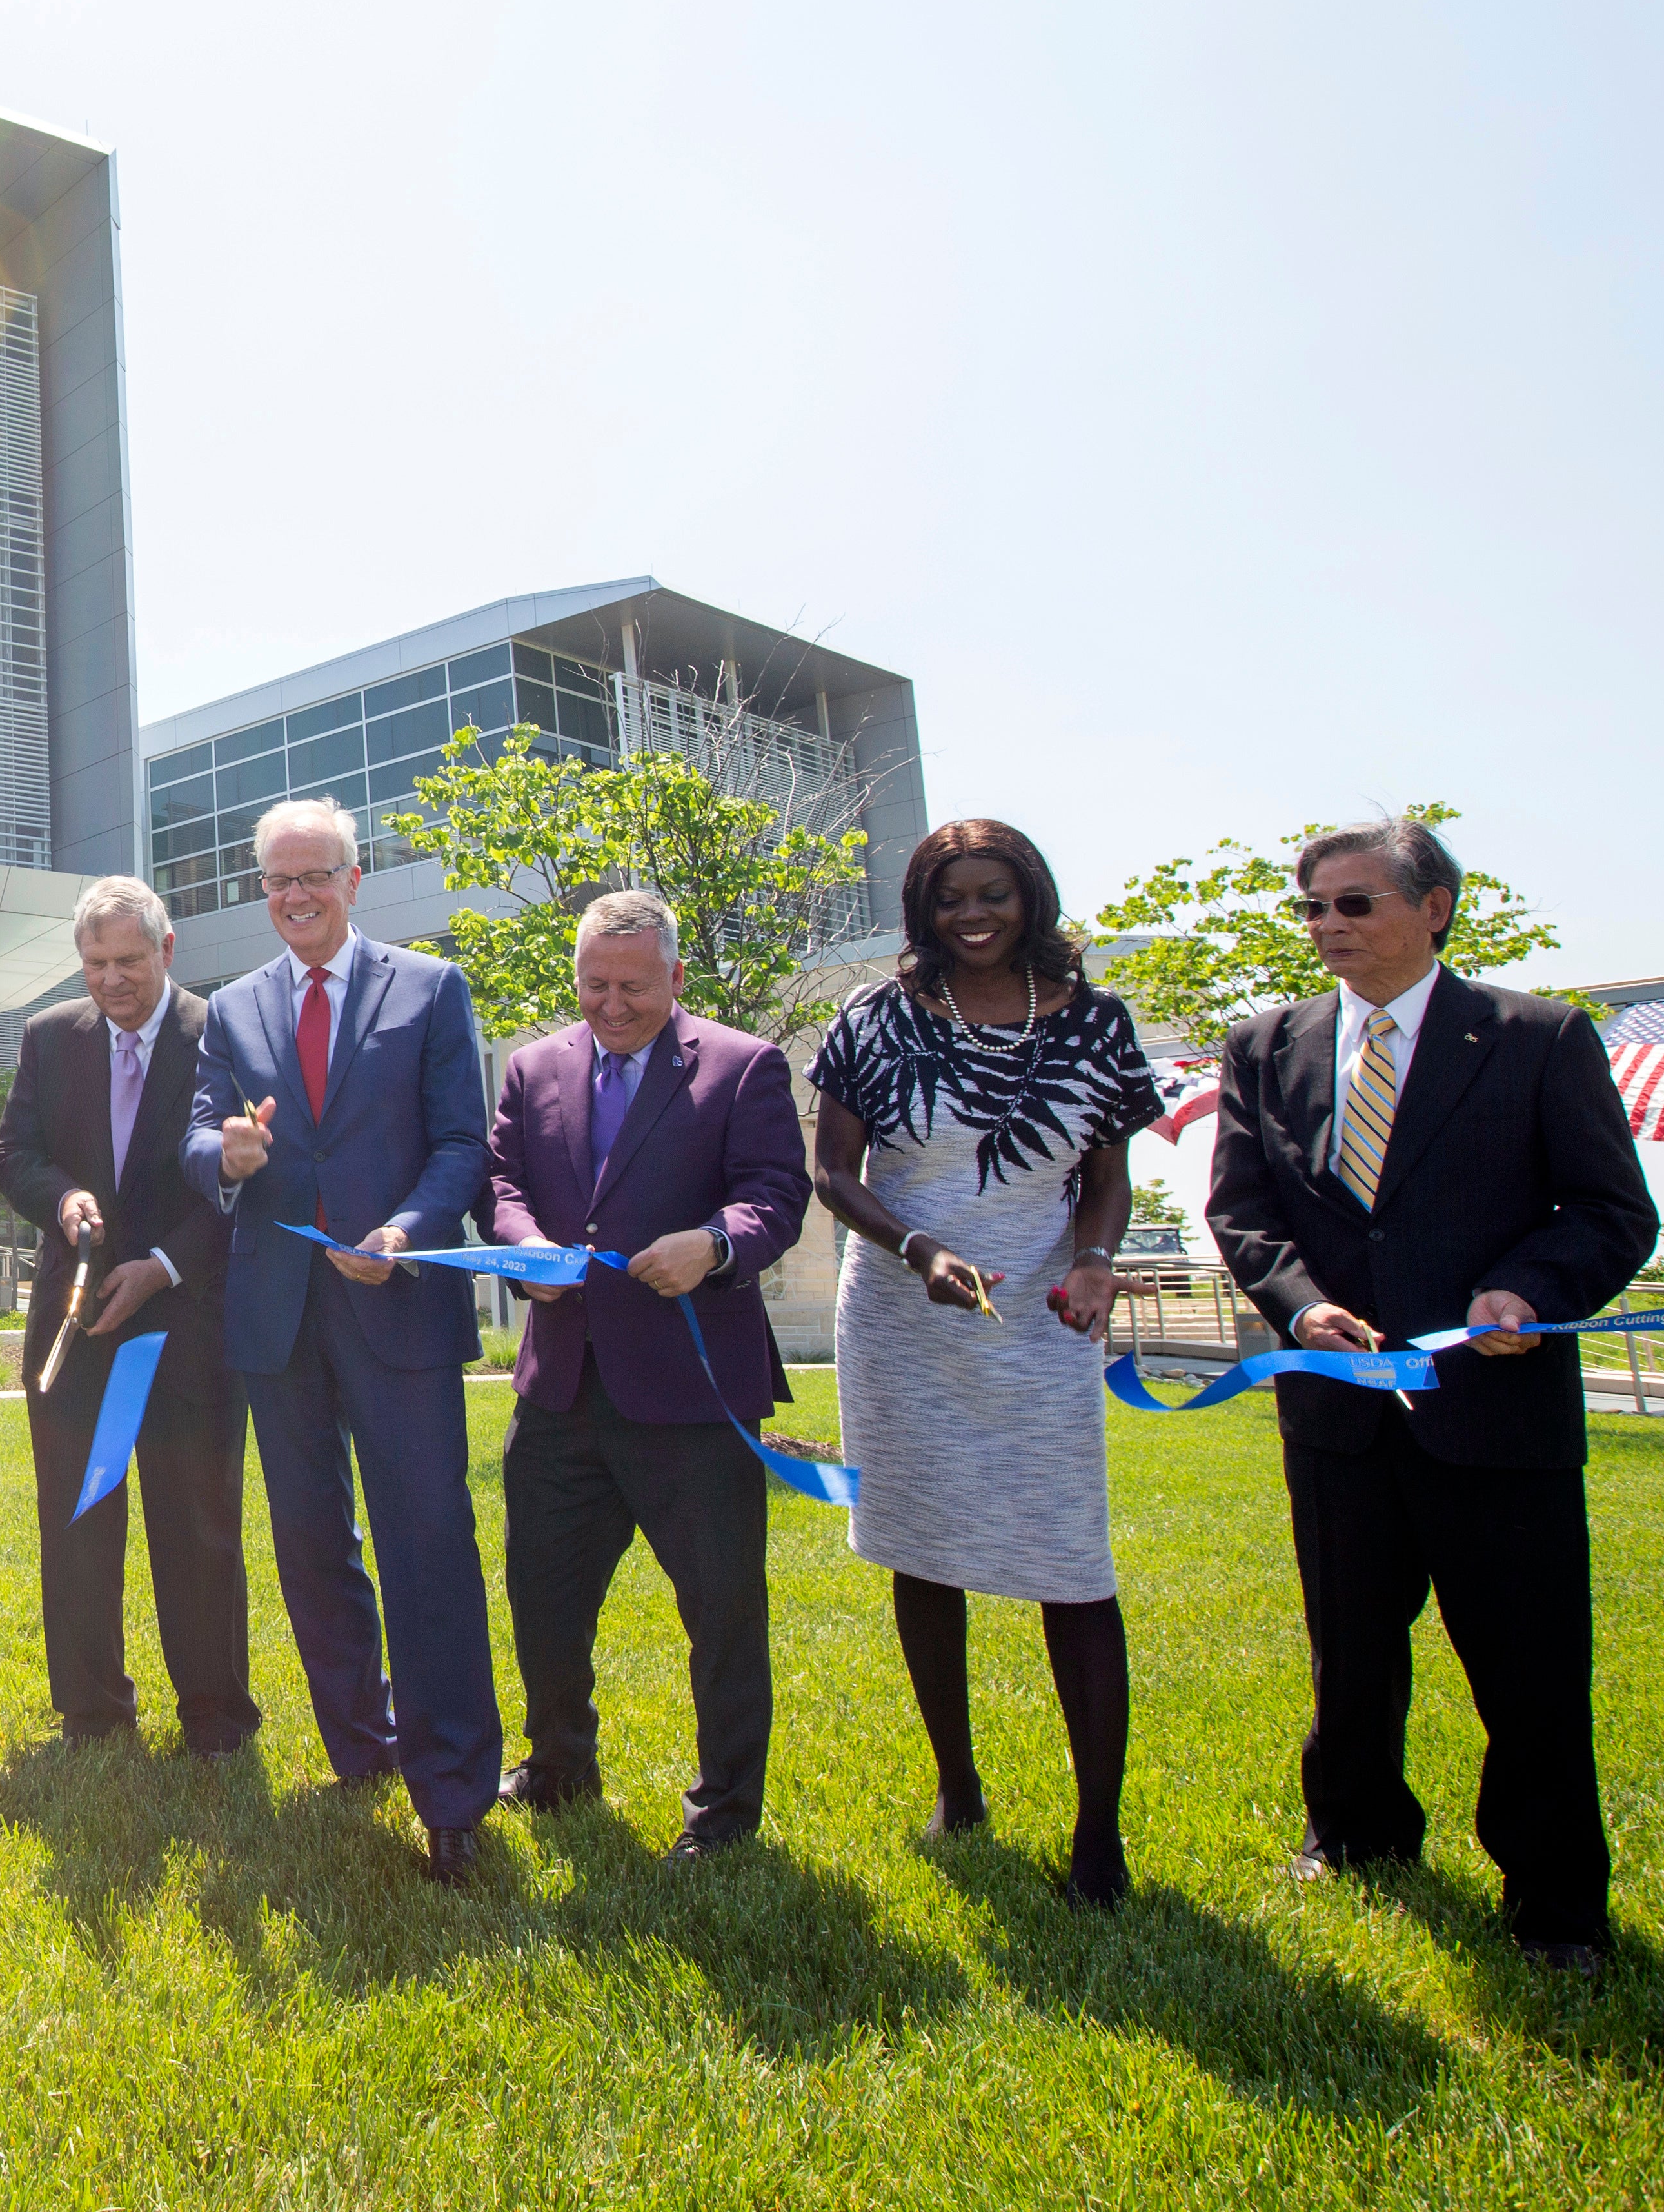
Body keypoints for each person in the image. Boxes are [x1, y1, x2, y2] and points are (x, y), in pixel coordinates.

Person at [1209, 816, 1655, 1971]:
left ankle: (1557, 1903)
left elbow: (1611, 1213)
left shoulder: (1537, 1038)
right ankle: (1355, 1836)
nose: (1328, 927)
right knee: (1349, 1652)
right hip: (1337, 1416)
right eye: (1312, 908)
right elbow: (1243, 1212)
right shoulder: (1264, 1047)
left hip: (1498, 1419)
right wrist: (1299, 1309)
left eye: (1354, 904)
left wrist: (1524, 1289)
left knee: (1530, 1669)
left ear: (1436, 905)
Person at [806, 826, 1157, 1901]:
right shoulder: (875, 1015)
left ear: (1028, 899)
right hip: (907, 1312)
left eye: (994, 895)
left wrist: (1095, 1261)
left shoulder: (1094, 1022)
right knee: (923, 1551)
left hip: (1043, 1315)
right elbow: (831, 1169)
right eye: (952, 897)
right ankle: (958, 1787)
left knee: (1072, 1564)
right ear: (924, 908)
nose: (975, 914)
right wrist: (919, 1249)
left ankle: (1099, 1836)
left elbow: (1106, 1174)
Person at [185, 797, 498, 1882]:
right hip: (279, 1321)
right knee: (314, 1550)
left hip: (397, 1305)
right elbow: (199, 1131)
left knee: (427, 1546)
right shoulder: (230, 1010)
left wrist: (410, 1230)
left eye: (314, 876)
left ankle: (453, 1791)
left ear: (355, 881)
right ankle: (360, 1753)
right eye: (277, 880)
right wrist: (220, 1154)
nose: (296, 896)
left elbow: (466, 1142)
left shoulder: (429, 988)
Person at [482, 890, 812, 1862]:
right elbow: (500, 1183)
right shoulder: (532, 1066)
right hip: (559, 1389)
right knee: (542, 1596)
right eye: (594, 984)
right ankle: (558, 1767)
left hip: (691, 1396)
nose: (612, 1004)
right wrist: (526, 1246)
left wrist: (714, 1245)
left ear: (675, 976)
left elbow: (775, 1197)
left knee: (721, 1611)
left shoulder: (744, 1064)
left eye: (632, 985)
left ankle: (724, 1815)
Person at [0, 875, 253, 1755]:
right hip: (78, 1324)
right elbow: (12, 1152)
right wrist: (61, 1199)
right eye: (95, 963)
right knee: (76, 1523)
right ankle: (93, 1713)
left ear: (168, 951)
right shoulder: (49, 1037)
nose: (110, 980)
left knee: (198, 1528)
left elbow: (244, 1184)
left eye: (128, 962)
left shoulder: (226, 1031)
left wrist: (165, 1266)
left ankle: (215, 1717)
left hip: (190, 1324)